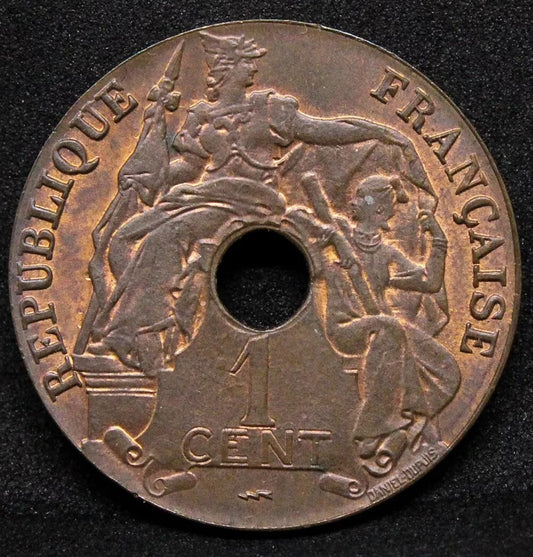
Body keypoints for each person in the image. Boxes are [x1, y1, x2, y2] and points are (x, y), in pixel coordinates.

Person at [78, 31, 435, 372]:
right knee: (124, 237)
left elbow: (323, 131)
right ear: (226, 68)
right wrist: (148, 168)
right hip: (205, 196)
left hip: (252, 202)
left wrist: (379, 131)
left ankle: (137, 334)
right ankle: (140, 324)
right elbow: (187, 169)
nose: (252, 69)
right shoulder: (202, 116)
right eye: (246, 62)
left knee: (166, 236)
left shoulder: (269, 109)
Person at [316, 174, 460, 472]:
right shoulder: (338, 230)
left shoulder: (387, 253)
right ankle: (370, 432)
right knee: (390, 328)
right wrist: (334, 241)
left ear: (378, 210)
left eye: (361, 197)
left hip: (383, 327)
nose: (353, 201)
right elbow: (296, 219)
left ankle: (403, 428)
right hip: (347, 328)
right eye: (356, 196)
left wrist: (439, 239)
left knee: (448, 370)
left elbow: (430, 282)